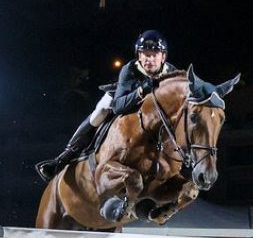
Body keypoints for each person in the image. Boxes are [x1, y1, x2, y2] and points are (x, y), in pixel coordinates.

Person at [35, 29, 176, 181]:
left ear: (163, 57)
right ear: (139, 56)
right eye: (146, 54)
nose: (150, 59)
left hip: (152, 113)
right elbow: (118, 107)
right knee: (100, 112)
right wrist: (140, 91)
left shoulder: (172, 73)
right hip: (121, 98)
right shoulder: (129, 70)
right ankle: (62, 159)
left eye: (154, 55)